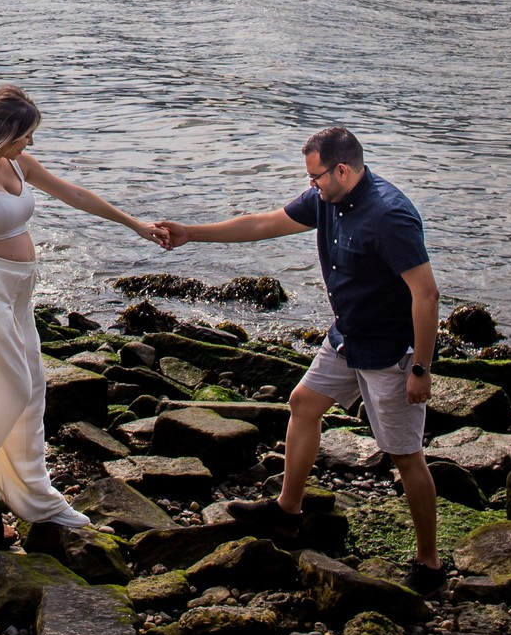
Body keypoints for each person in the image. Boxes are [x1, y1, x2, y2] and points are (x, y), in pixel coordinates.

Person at [152, 126, 444, 579]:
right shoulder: (328, 200)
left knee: (405, 455)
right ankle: (287, 513)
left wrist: (421, 368)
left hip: (389, 350)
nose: (312, 185)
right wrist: (192, 233)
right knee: (303, 404)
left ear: (342, 169)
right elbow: (263, 224)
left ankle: (429, 562)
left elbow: (426, 295)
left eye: (317, 177)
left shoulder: (389, 216)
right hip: (347, 335)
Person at [0, 85, 159, 528]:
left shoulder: (18, 162)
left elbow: (74, 194)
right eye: (24, 136)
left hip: (18, 293)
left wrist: (134, 224)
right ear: (1, 132)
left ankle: (35, 493)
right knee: (15, 389)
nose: (31, 144)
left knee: (34, 391)